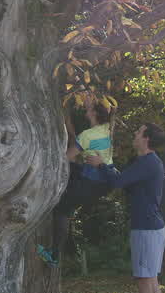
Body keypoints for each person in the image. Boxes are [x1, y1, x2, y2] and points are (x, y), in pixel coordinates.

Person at [87, 123, 165, 293]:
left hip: (146, 229)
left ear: (146, 139)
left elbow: (117, 182)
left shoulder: (148, 162)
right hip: (151, 227)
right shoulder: (146, 162)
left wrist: (100, 165)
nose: (135, 134)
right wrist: (107, 167)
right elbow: (126, 182)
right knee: (151, 279)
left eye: (138, 132)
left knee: (144, 280)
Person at [40, 98, 113, 266]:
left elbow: (67, 156)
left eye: (90, 108)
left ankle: (54, 255)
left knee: (62, 208)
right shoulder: (105, 130)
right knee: (73, 170)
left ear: (94, 113)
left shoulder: (88, 135)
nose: (86, 108)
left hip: (92, 182)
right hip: (105, 180)